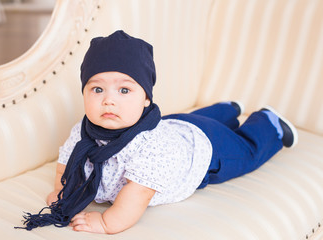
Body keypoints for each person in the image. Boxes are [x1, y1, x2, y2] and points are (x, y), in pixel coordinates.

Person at [17, 30, 298, 234]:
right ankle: (226, 109)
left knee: (244, 151)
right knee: (190, 119)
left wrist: (105, 222)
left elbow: (135, 197)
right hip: (175, 126)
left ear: (146, 99)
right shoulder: (82, 132)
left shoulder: (148, 147)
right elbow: (65, 165)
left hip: (201, 151)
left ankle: (268, 122)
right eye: (97, 89)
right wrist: (61, 191)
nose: (109, 100)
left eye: (124, 90)